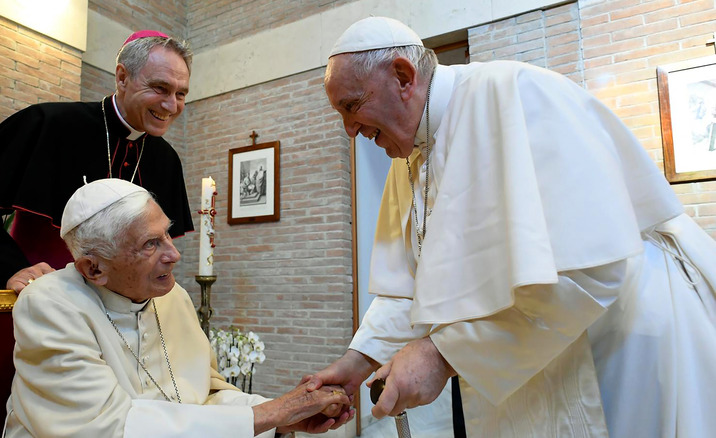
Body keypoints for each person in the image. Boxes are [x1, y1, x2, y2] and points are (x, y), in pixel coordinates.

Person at [305, 16, 716, 437]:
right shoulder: (410, 151)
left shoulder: (517, 94)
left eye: (352, 107)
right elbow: (411, 284)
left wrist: (443, 356)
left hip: (619, 343)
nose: (350, 130)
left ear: (403, 76)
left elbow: (591, 271)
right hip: (535, 358)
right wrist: (358, 362)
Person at [3, 178, 354, 437]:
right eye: (150, 244)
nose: (174, 254)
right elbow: (109, 429)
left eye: (167, 235)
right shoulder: (50, 305)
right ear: (94, 268)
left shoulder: (172, 297)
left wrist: (278, 420)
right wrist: (270, 414)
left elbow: (206, 393)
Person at [0, 30, 193, 293]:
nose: (171, 105)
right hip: (44, 303)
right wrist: (11, 269)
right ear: (122, 77)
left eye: (181, 94)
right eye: (160, 88)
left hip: (124, 316)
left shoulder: (167, 160)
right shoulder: (48, 124)